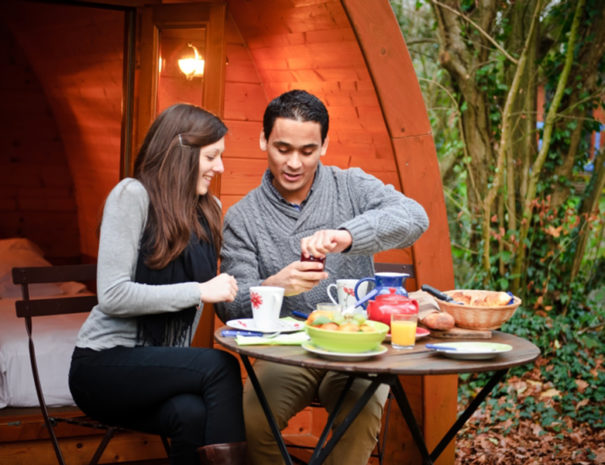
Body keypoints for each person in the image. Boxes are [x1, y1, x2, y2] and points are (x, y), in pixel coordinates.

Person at [216, 90, 429, 465]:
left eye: (307, 150)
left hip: (354, 347)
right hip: (285, 350)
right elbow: (229, 305)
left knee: (362, 411)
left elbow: (414, 218)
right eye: (283, 148)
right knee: (252, 417)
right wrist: (273, 286)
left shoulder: (351, 186)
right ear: (263, 140)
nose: (294, 162)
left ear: (325, 145)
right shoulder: (242, 216)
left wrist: (348, 236)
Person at [69, 104, 247, 465]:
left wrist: (278, 283)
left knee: (191, 414)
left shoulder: (207, 210)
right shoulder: (131, 196)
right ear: (181, 151)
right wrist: (199, 291)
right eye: (211, 156)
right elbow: (113, 295)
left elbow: (224, 285)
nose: (220, 167)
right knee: (220, 367)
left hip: (155, 368)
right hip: (102, 365)